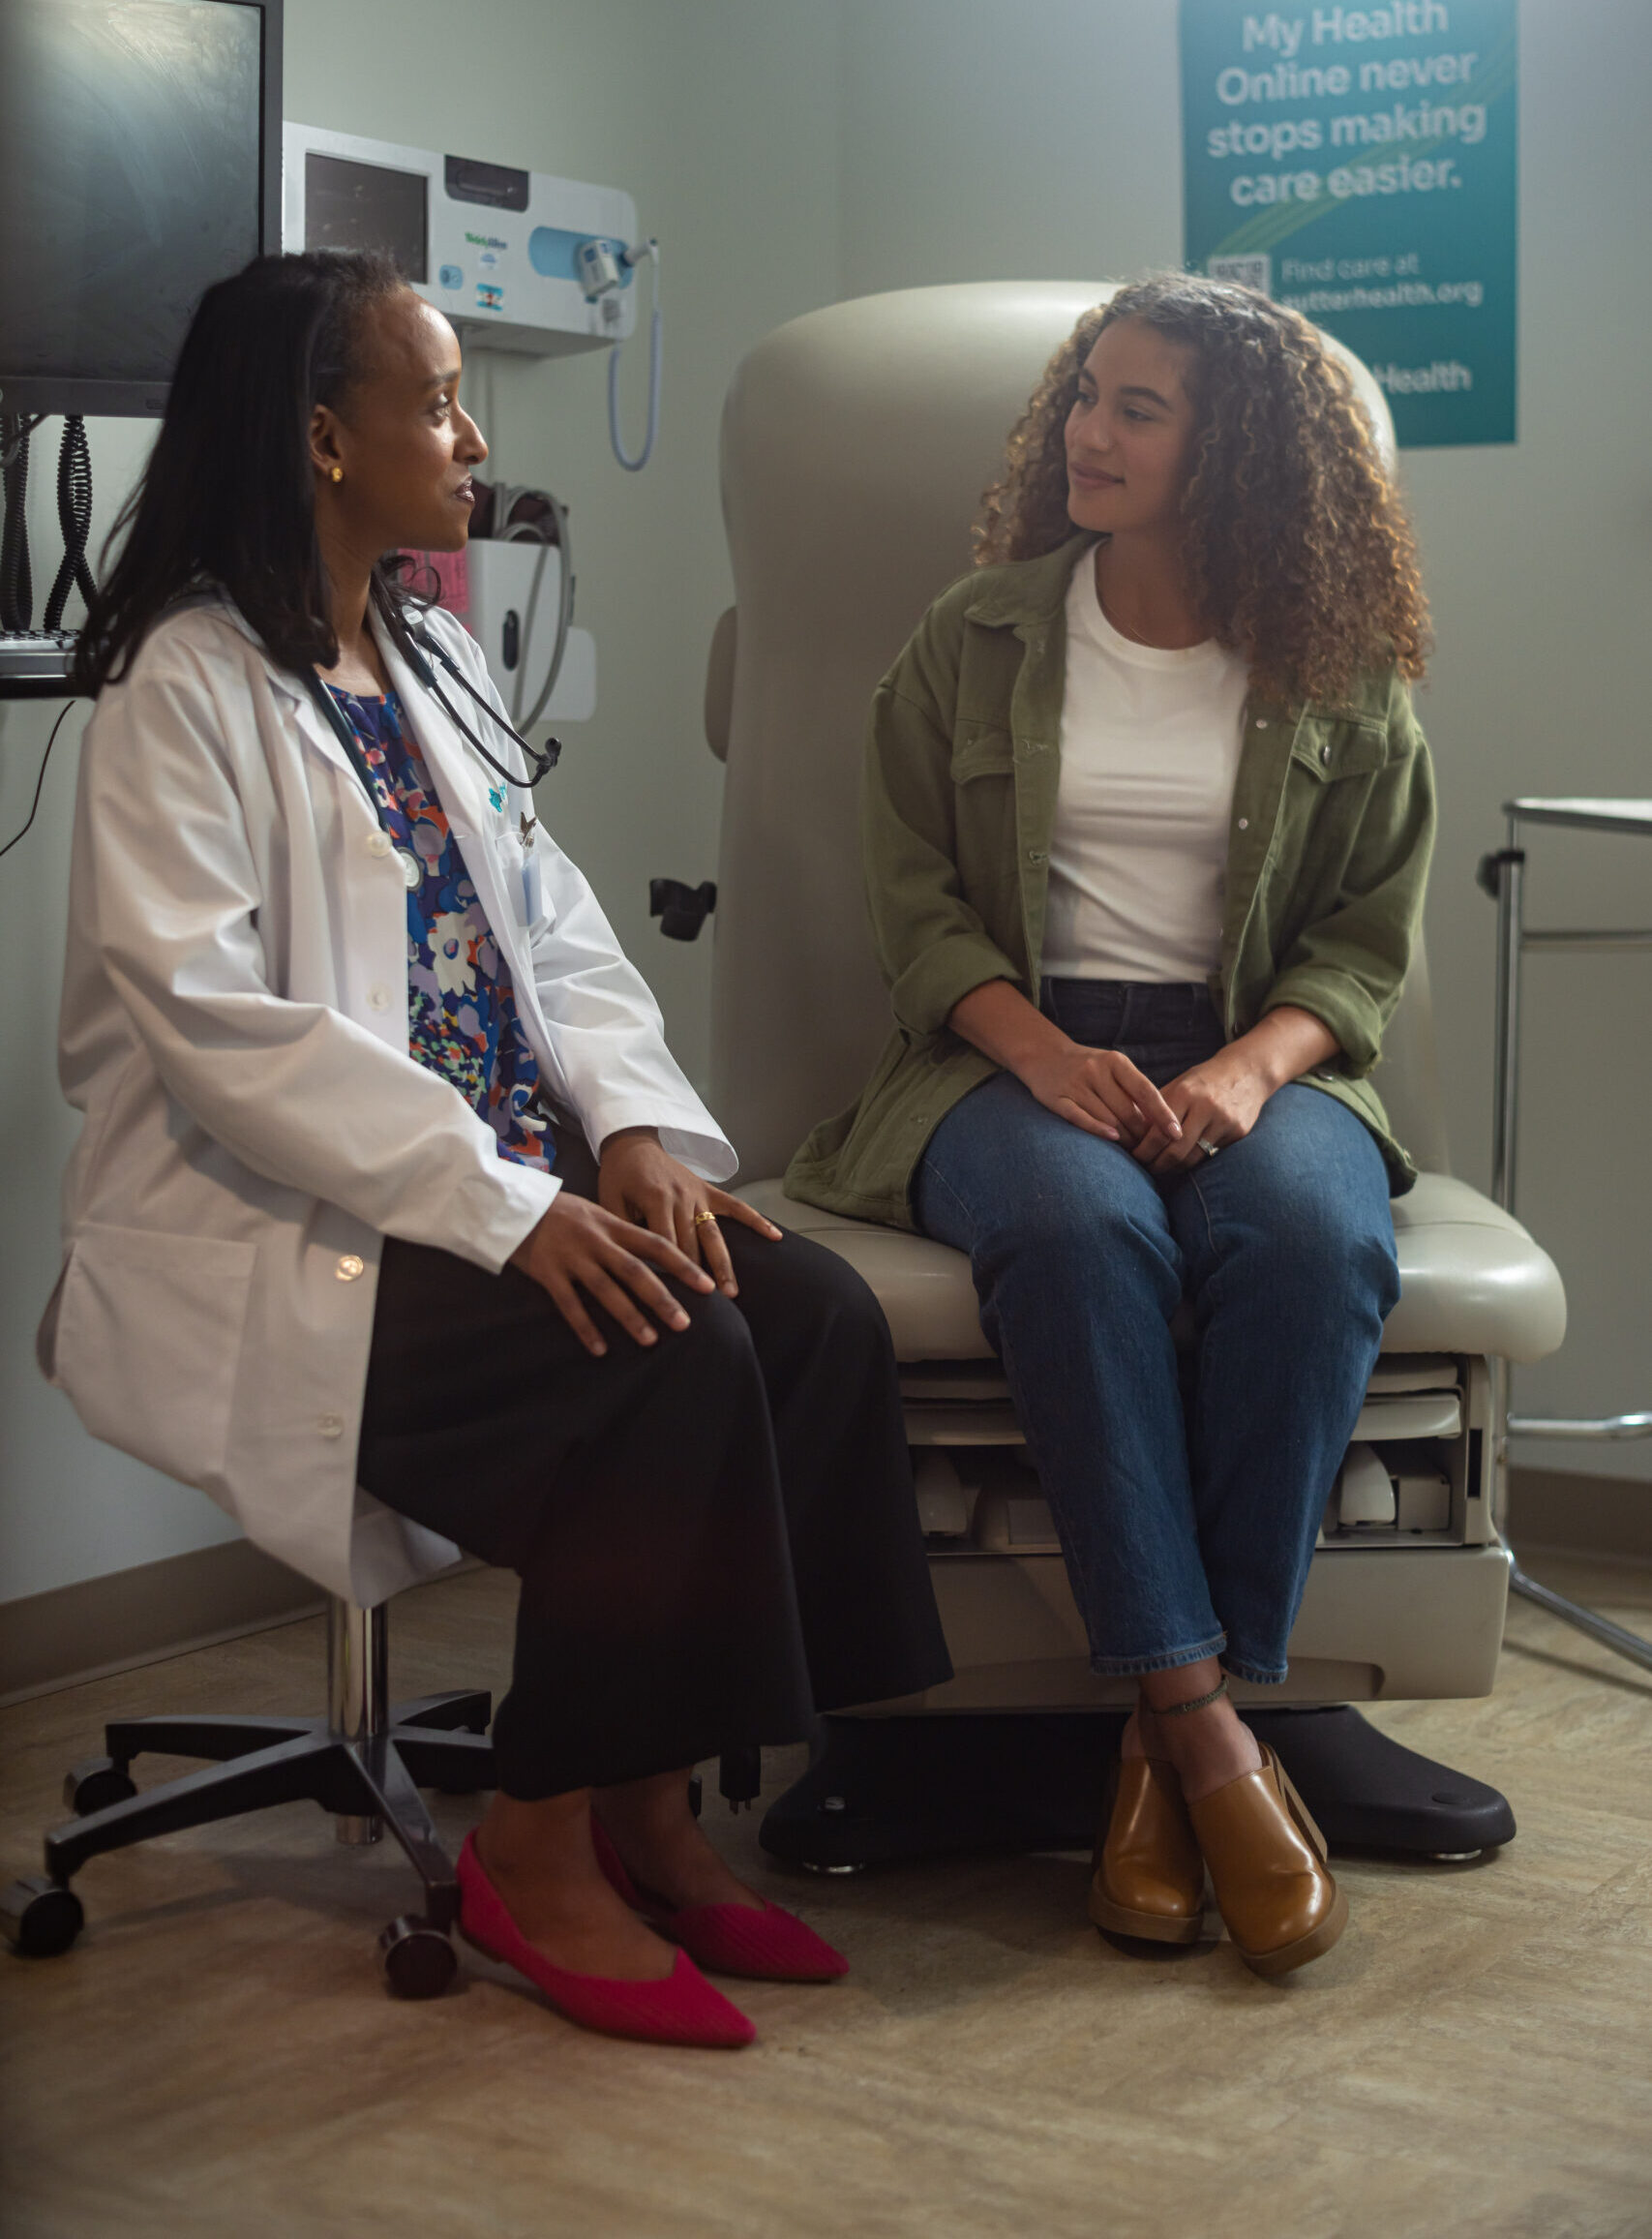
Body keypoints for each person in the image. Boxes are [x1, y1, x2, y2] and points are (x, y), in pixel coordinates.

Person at [41, 250, 949, 2047]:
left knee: (811, 1317)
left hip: (512, 1185)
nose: (473, 441)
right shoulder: (181, 686)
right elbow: (222, 1031)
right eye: (441, 402)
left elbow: (557, 934)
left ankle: (648, 1808)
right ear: (324, 437)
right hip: (298, 1222)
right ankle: (533, 1849)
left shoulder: (435, 652)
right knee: (670, 1357)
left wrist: (633, 1130)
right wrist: (507, 1203)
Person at [786, 275, 1434, 1979]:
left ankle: (1160, 1739)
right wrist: (1040, 1050)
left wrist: (1250, 1075)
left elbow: (1364, 940)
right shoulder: (976, 637)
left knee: (1315, 1240)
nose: (1088, 430)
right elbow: (915, 906)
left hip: (1255, 1057)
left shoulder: (1339, 668)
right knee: (1077, 1233)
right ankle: (1212, 1733)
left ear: (1240, 454)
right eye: (1087, 395)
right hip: (1007, 1052)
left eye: (1137, 408)